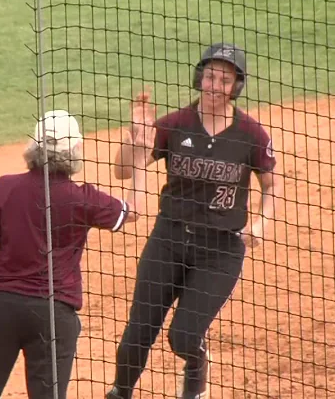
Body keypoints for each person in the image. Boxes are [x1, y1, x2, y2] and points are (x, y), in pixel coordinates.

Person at [106, 43, 279, 399]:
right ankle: (119, 393)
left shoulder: (251, 134)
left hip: (220, 249)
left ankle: (196, 374)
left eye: (225, 80)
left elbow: (271, 185)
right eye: (211, 76)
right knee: (139, 329)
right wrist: (135, 136)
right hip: (168, 239)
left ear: (237, 86)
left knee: (184, 335)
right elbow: (123, 170)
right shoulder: (175, 124)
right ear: (200, 78)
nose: (215, 86)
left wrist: (261, 223)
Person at [0, 105, 151, 399]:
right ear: (75, 150)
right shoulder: (82, 198)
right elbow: (135, 210)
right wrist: (139, 156)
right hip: (52, 315)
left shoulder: (5, 187)